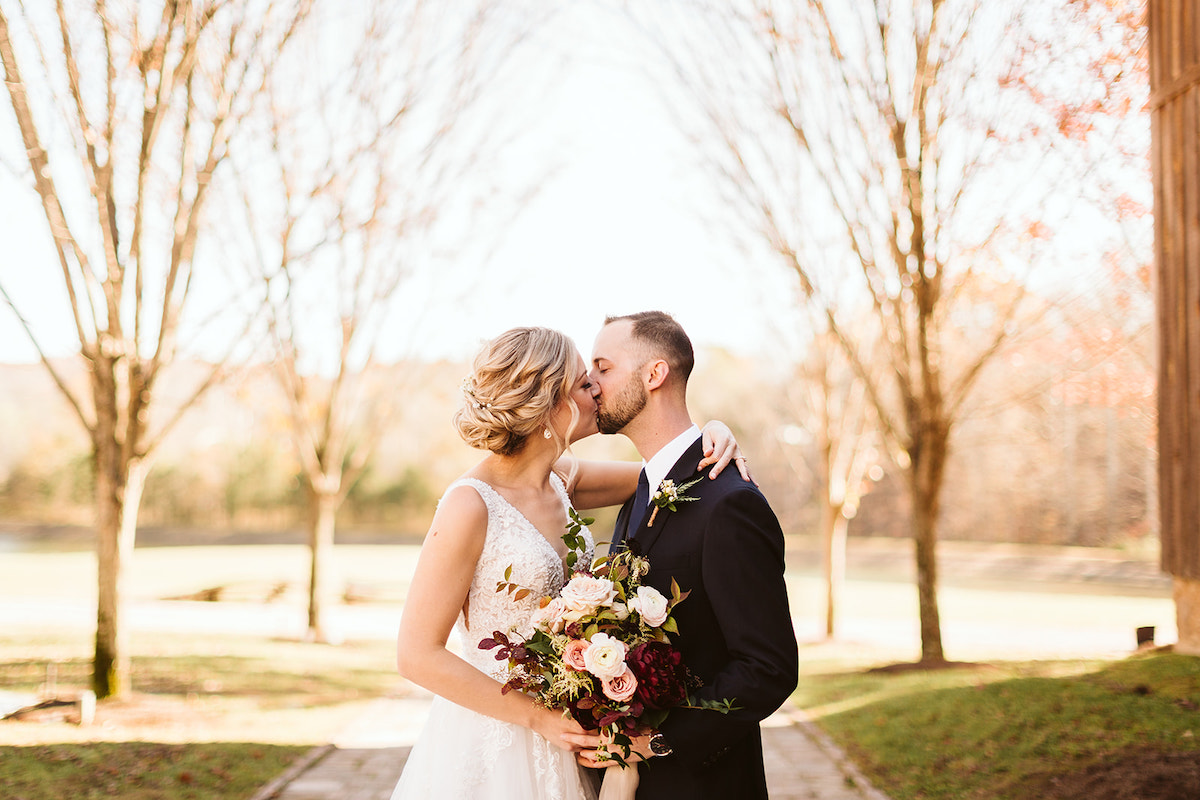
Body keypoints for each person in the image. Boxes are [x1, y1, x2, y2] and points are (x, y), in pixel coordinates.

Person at [390, 326, 750, 800]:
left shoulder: (562, 479)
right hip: (499, 737)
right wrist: (536, 717)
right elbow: (416, 654)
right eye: (585, 382)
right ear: (549, 404)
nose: (597, 389)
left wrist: (712, 433)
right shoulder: (469, 505)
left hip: (573, 733)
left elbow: (664, 473)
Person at [568, 311, 799, 799]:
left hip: (704, 785)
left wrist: (656, 743)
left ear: (654, 375)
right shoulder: (638, 492)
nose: (591, 384)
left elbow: (769, 668)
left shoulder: (730, 503)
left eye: (603, 368)